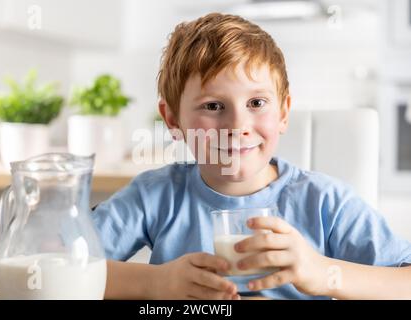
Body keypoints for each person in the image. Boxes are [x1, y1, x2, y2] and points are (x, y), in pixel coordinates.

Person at [92, 13, 411, 300]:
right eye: (213, 106)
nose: (237, 126)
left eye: (256, 103)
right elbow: (54, 271)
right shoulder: (154, 195)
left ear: (283, 112)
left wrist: (322, 272)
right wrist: (155, 283)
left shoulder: (325, 202)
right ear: (173, 119)